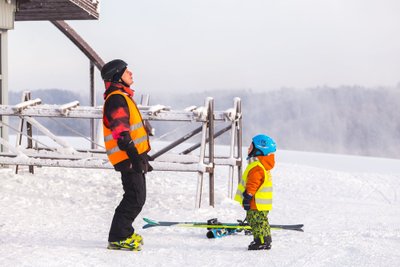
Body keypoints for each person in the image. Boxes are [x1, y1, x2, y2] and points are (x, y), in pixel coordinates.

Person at [101, 59, 153, 251]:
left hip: (132, 157)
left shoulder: (121, 96)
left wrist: (142, 155)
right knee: (135, 198)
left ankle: (122, 233)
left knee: (136, 196)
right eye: (125, 71)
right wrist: (135, 157)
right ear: (117, 76)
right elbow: (121, 134)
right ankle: (119, 236)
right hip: (128, 158)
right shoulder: (116, 99)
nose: (130, 73)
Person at [234, 134, 276, 250]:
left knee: (257, 223)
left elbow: (253, 184)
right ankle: (263, 240)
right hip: (259, 203)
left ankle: (261, 241)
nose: (248, 149)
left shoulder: (257, 167)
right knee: (260, 222)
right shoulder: (261, 166)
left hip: (256, 203)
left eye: (251, 147)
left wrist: (247, 196)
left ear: (259, 150)